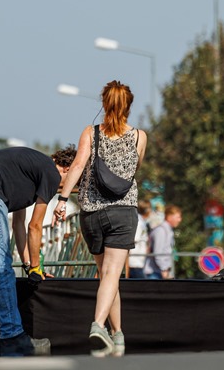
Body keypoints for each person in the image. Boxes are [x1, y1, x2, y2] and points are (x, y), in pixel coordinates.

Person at [53, 80, 147, 357]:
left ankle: (117, 335)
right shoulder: (140, 136)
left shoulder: (90, 133)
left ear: (103, 104)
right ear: (128, 106)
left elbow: (78, 165)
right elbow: (134, 169)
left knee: (107, 276)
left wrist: (61, 200)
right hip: (122, 212)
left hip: (91, 214)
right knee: (111, 275)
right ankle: (97, 325)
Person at [0, 144, 76, 357]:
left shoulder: (28, 171)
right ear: (67, 169)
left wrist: (29, 265)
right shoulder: (51, 174)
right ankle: (11, 335)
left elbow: (19, 225)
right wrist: (35, 267)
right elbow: (35, 226)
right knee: (0, 268)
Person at [144, 205, 182, 279]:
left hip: (159, 272)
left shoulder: (168, 230)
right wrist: (164, 269)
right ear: (169, 216)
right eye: (178, 217)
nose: (179, 220)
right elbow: (158, 253)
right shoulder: (161, 231)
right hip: (154, 273)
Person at [127, 200, 151, 279]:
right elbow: (134, 239)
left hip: (137, 261)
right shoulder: (139, 222)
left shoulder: (140, 221)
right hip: (134, 262)